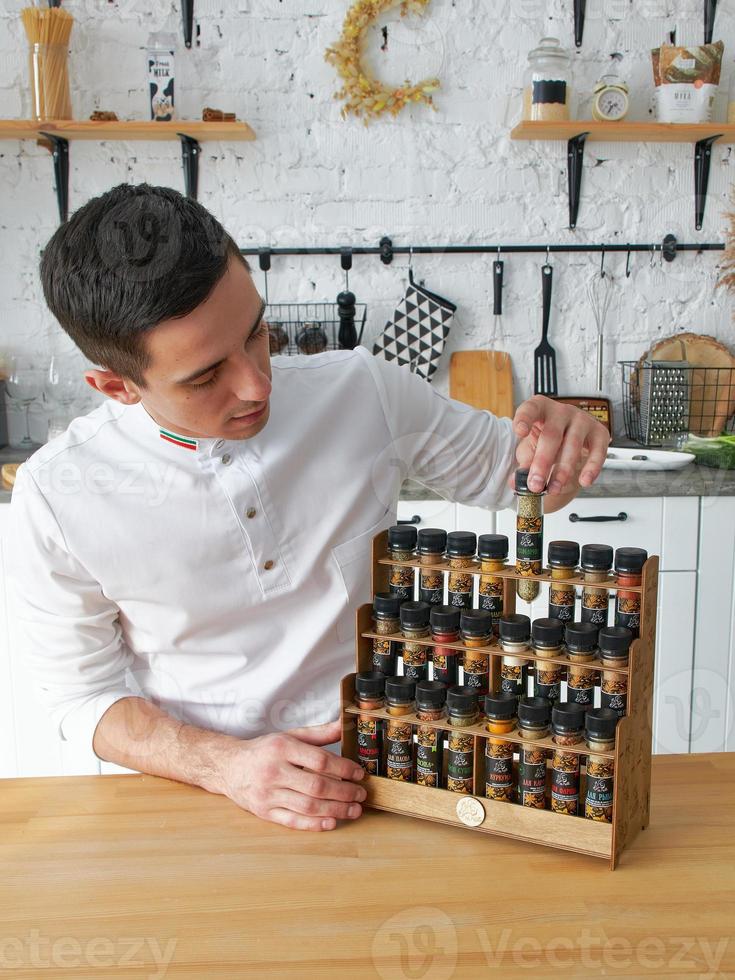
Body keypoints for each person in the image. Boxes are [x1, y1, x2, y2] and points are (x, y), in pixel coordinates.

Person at [9, 184, 610, 832]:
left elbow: (521, 483)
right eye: (206, 375)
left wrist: (564, 441)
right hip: (193, 799)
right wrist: (227, 768)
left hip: (393, 780)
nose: (256, 382)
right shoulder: (58, 494)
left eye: (257, 332)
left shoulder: (363, 390)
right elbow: (82, 697)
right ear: (116, 386)